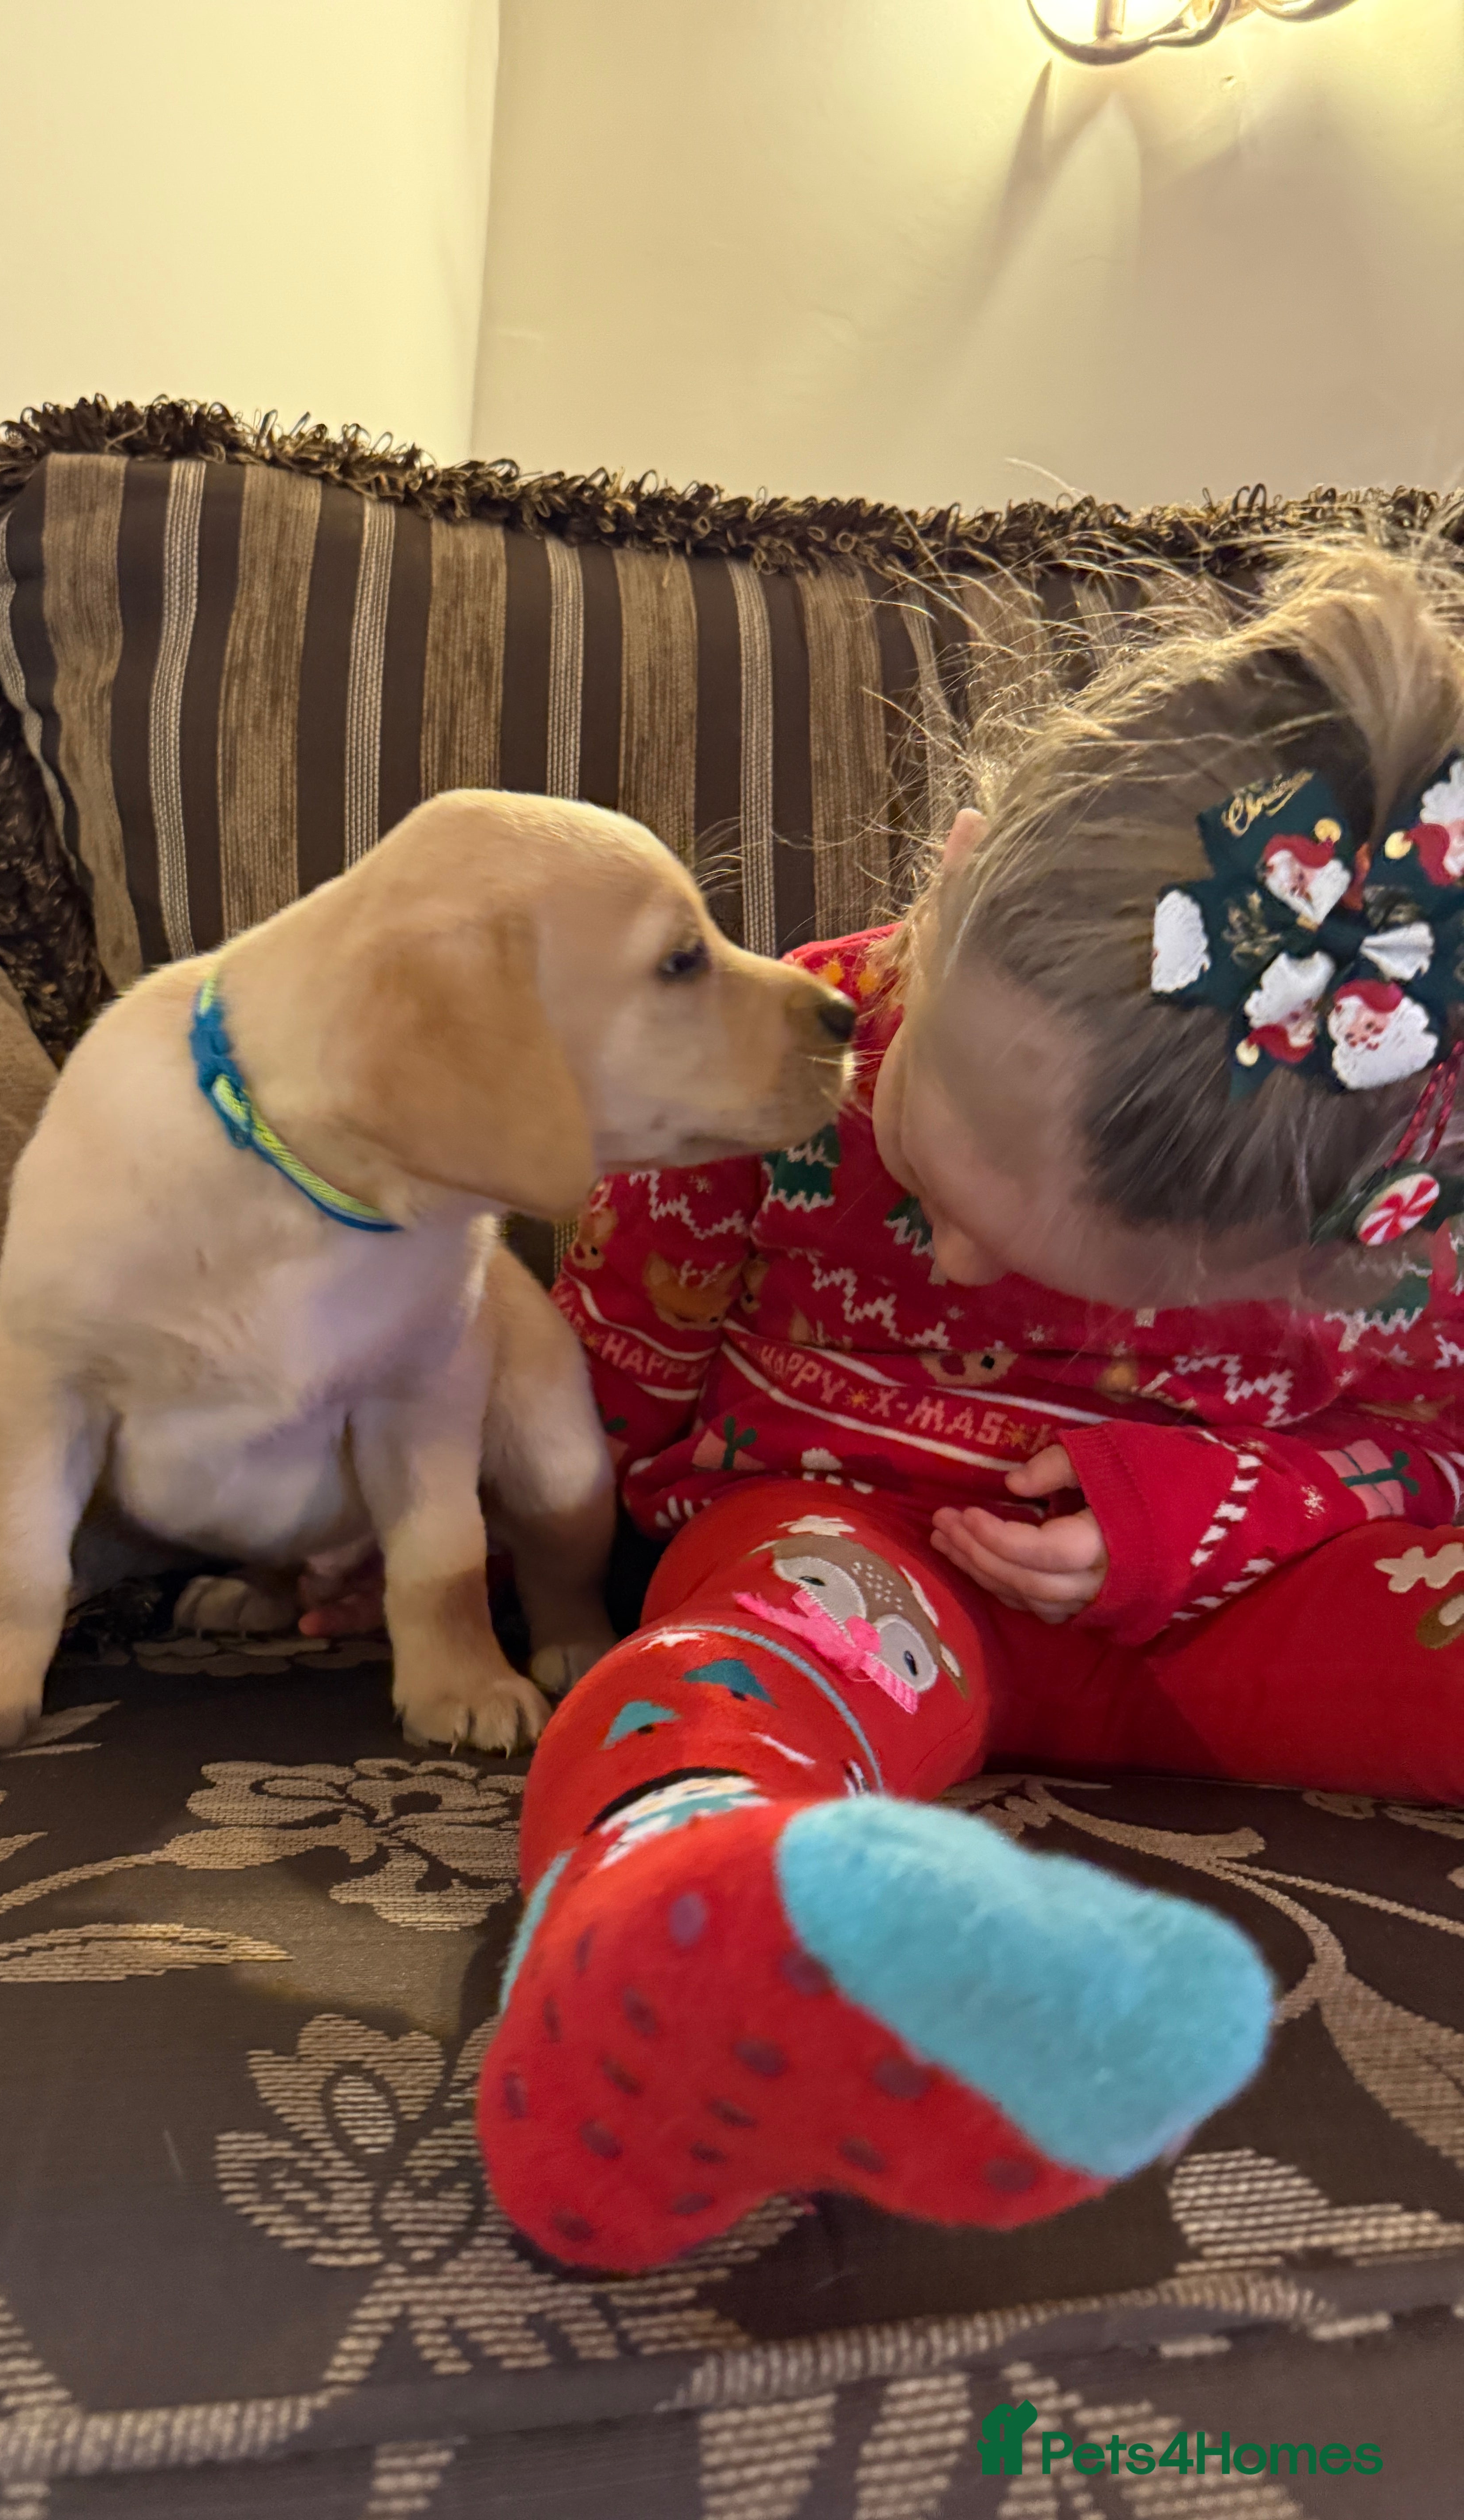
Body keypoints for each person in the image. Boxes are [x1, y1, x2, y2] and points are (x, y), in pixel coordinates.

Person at [477, 540, 1464, 2276]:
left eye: (1130, 1290)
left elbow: (1437, 1455)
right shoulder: (763, 1062)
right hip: (862, 1575)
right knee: (752, 1650)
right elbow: (610, 1375)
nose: (947, 1252)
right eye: (935, 1187)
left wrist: (1195, 1518)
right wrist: (496, 1542)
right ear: (939, 900)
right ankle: (665, 1920)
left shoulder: (1410, 1207)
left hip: (1241, 1608)